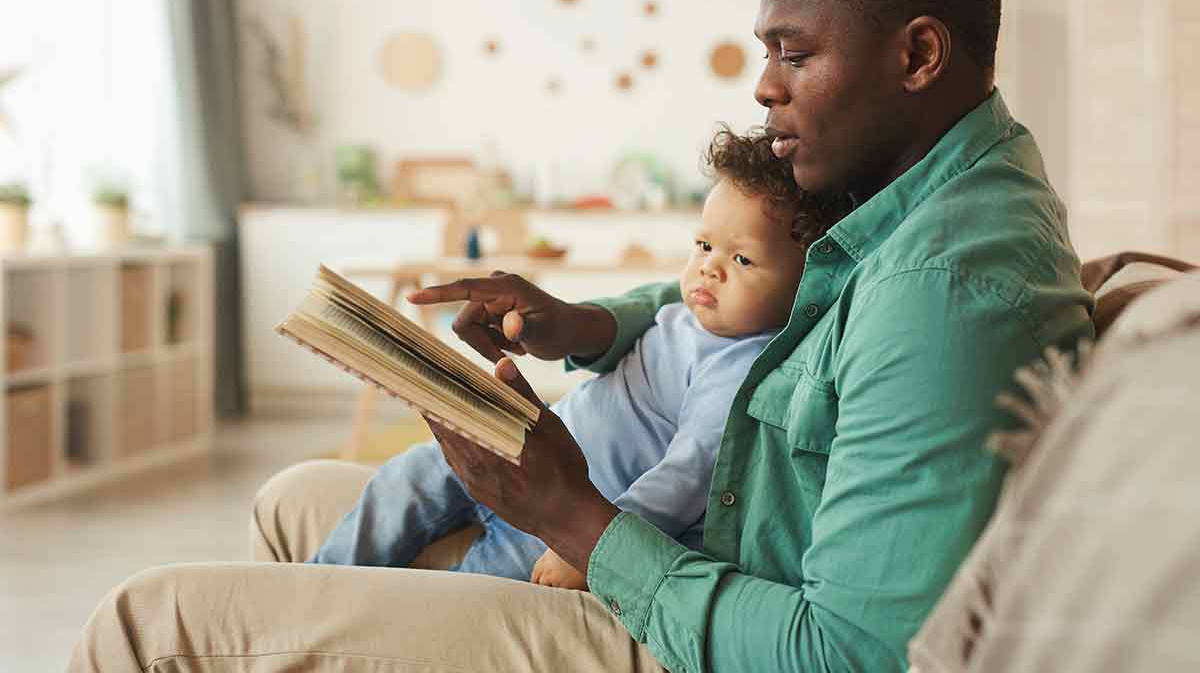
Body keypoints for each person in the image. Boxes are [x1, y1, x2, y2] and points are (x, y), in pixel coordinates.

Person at [70, 0, 1093, 672]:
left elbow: (850, 653)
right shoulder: (908, 193)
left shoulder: (946, 289)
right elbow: (742, 313)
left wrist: (574, 517)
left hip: (698, 619)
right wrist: (586, 323)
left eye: (794, 52)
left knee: (148, 620)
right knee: (299, 497)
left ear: (918, 53)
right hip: (699, 552)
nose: (763, 85)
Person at [308, 128, 847, 590]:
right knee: (405, 477)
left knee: (465, 598)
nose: (710, 270)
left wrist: (593, 548)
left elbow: (684, 480)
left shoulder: (739, 370)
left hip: (559, 524)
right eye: (704, 246)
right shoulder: (684, 314)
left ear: (806, 283)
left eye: (743, 258)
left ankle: (367, 619)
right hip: (518, 457)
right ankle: (315, 585)